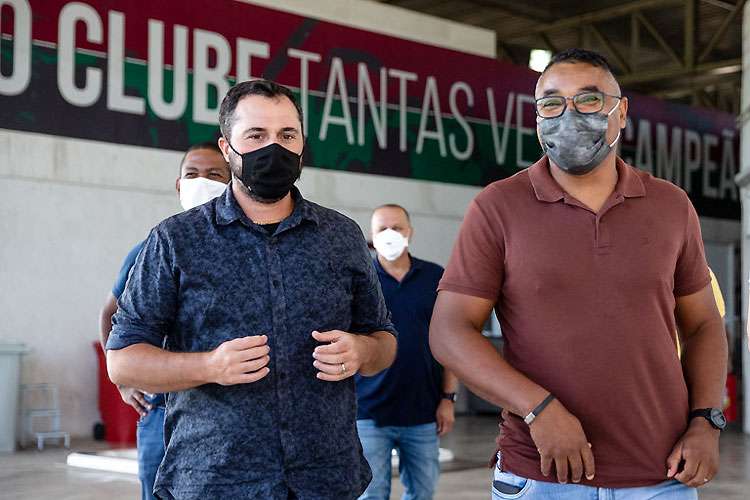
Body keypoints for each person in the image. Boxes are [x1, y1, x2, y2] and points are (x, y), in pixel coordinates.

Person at [430, 48, 727, 499]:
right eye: (551, 103)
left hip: (660, 476)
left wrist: (707, 420)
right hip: (539, 478)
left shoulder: (670, 206)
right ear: (536, 118)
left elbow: (704, 323)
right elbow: (450, 330)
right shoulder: (498, 206)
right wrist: (539, 410)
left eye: (588, 100)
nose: (568, 115)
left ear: (621, 111)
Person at [105, 79, 398, 500]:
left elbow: (383, 339)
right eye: (256, 135)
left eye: (287, 135)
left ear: (302, 145)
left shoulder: (341, 236)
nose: (273, 148)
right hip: (216, 479)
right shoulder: (176, 240)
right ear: (227, 149)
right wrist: (209, 366)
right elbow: (123, 363)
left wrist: (362, 351)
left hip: (326, 478)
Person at [98, 141, 231, 500]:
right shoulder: (153, 247)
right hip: (161, 407)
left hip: (225, 410)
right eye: (192, 175)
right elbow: (111, 313)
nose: (201, 182)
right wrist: (124, 382)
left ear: (233, 181)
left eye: (214, 175)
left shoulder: (246, 248)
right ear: (178, 185)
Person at [356, 204, 458, 500]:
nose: (390, 234)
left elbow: (450, 342)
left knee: (422, 493)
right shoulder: (359, 281)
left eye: (397, 227)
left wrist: (448, 399)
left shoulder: (435, 278)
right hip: (367, 412)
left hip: (423, 411)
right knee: (371, 495)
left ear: (410, 232)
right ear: (372, 237)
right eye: (382, 229)